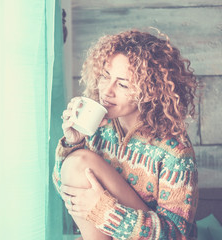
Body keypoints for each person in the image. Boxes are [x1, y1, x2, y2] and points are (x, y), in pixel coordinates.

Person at [52, 29, 199, 240]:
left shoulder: (175, 153)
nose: (107, 91)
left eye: (122, 84)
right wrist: (72, 142)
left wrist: (106, 212)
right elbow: (65, 190)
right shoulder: (97, 128)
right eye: (105, 76)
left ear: (151, 90)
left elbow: (176, 235)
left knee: (80, 162)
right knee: (76, 162)